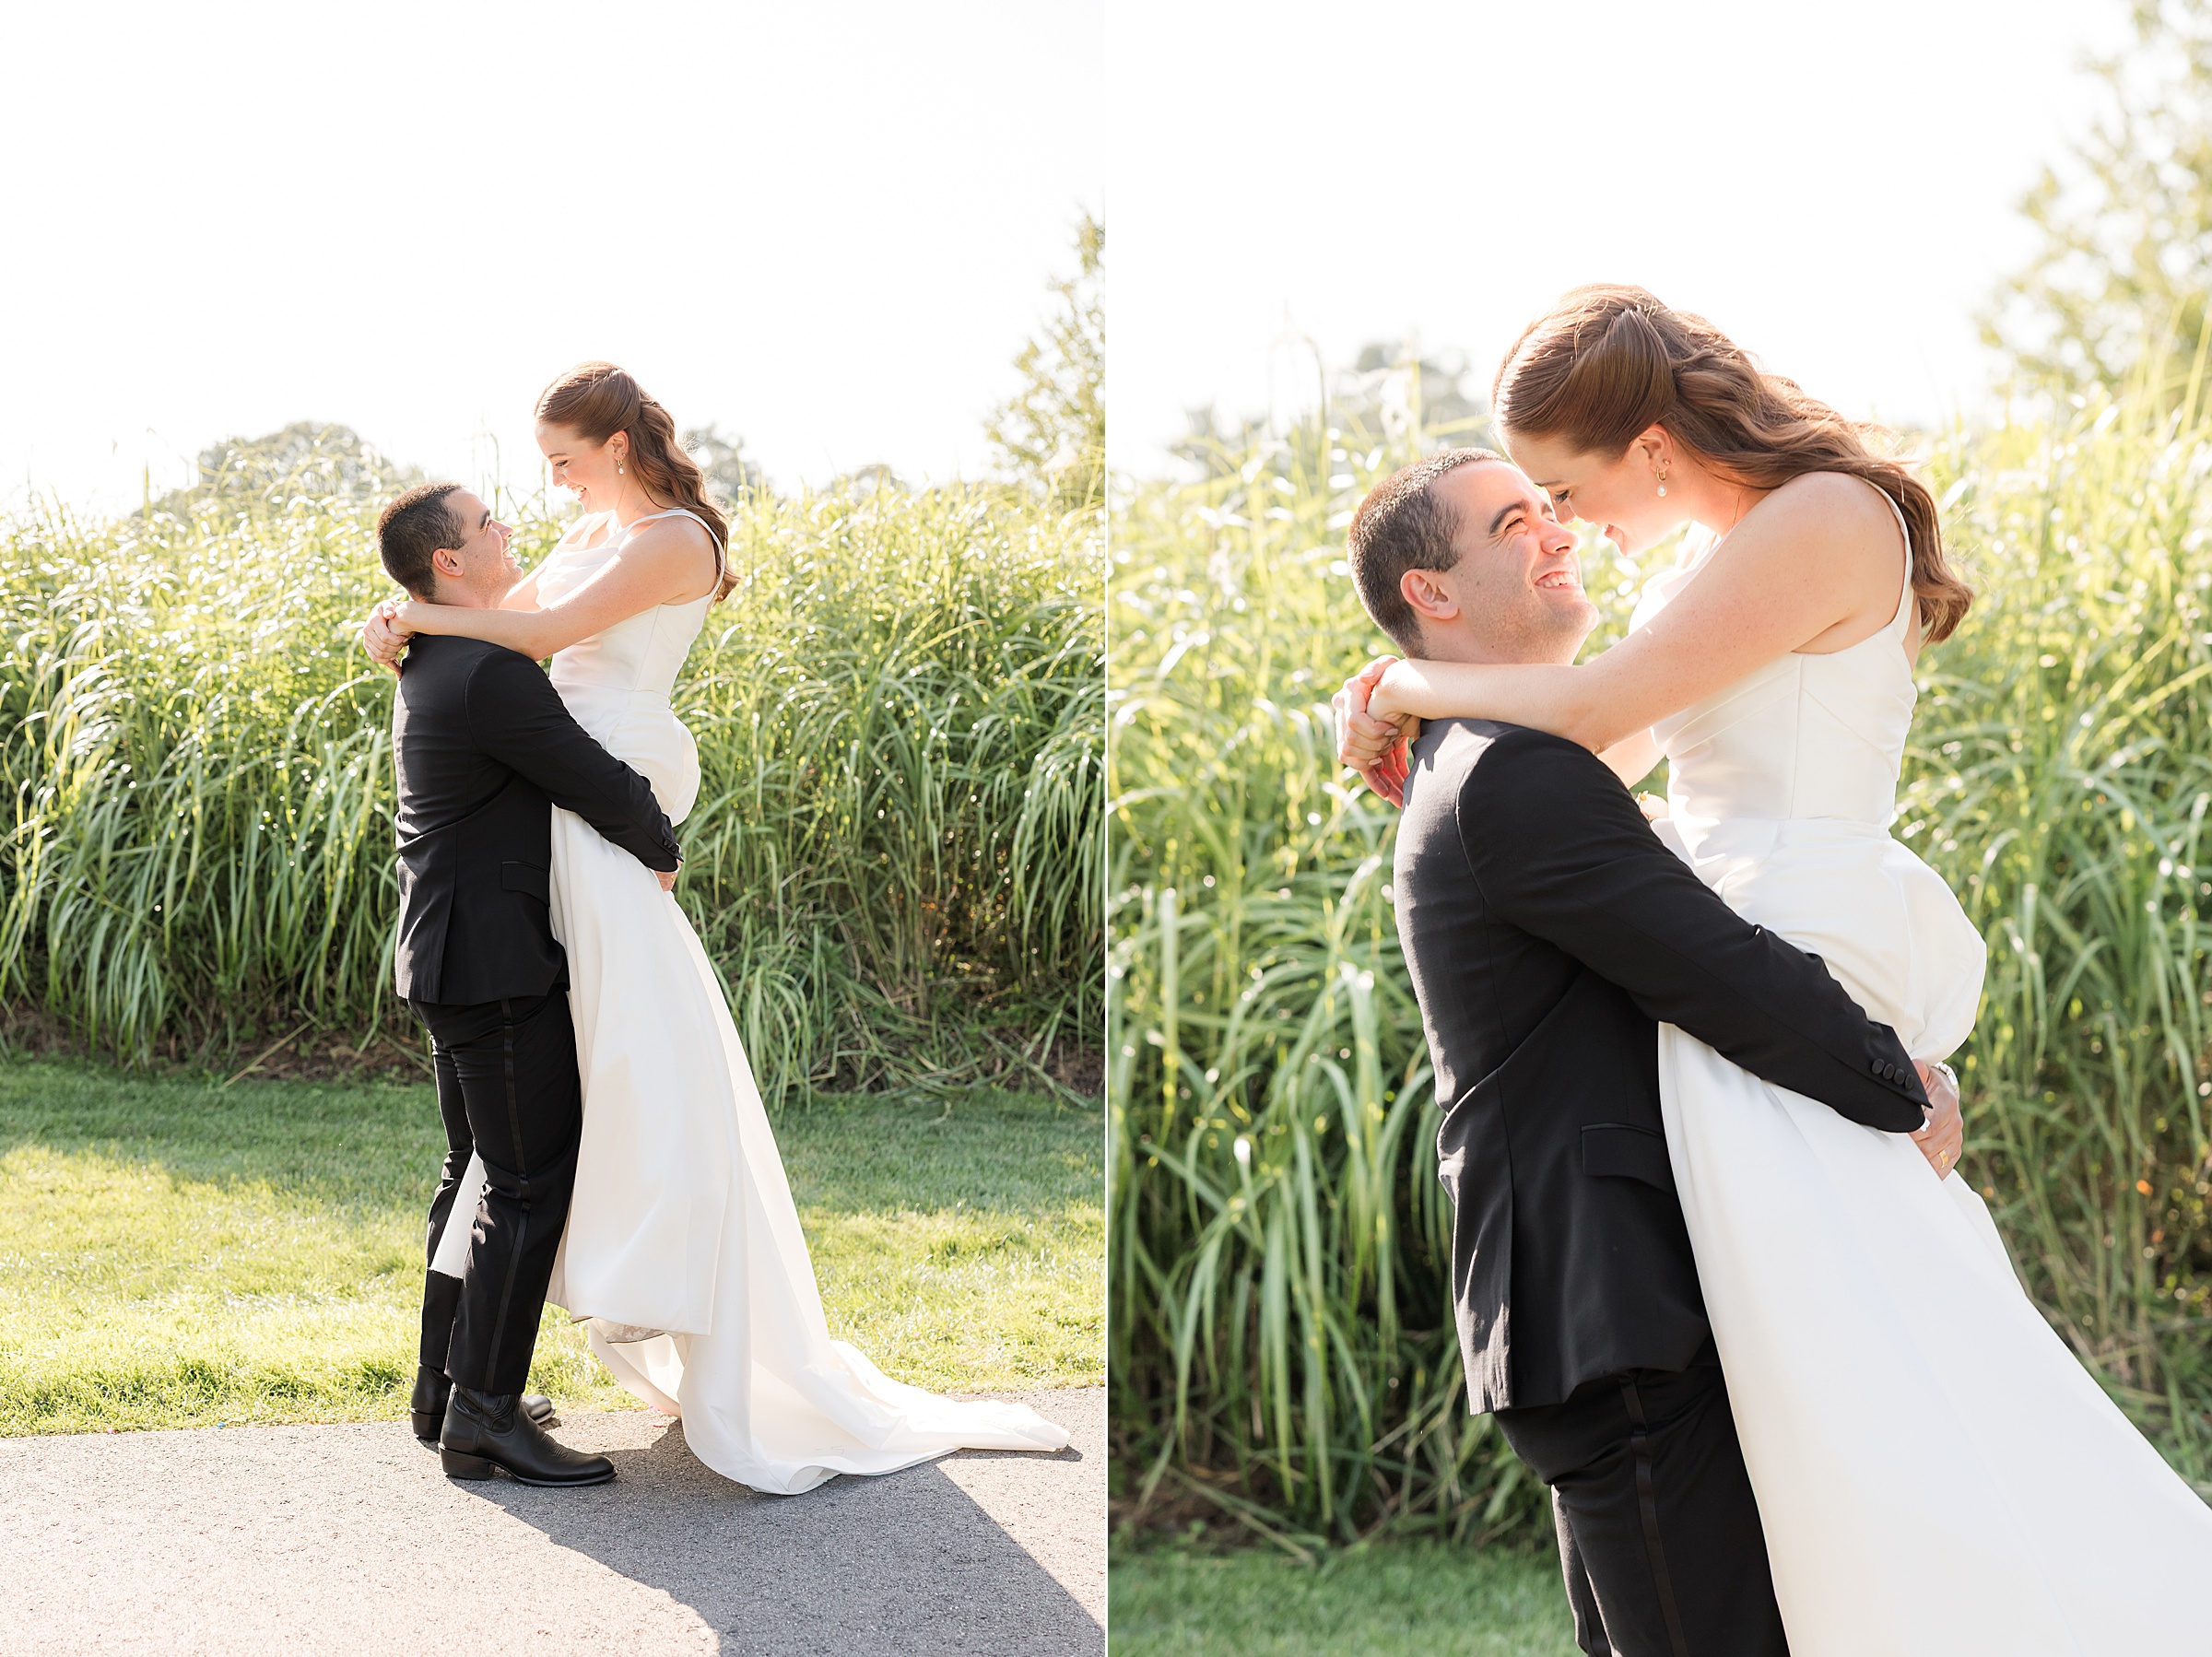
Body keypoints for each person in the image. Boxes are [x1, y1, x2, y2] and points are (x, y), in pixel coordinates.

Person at [1337, 288, 2212, 1652]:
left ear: (1647, 444)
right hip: (1737, 984)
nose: (1572, 524)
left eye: (1563, 488)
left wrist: (1405, 690)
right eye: (1533, 508)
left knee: (1887, 1380)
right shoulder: (1724, 564)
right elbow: (1587, 772)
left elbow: (1588, 720)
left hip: (1783, 952)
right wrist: (1431, 698)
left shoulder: (1819, 517)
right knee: (1824, 1396)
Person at [363, 363, 1066, 1493]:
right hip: (558, 814)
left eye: (563, 459)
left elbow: (534, 633)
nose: (546, 486)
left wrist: (411, 619)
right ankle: (465, 1391)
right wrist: (416, 619)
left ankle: (500, 1375)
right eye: (536, 471)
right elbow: (510, 622)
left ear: (620, 443)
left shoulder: (674, 539)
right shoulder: (592, 531)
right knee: (522, 1140)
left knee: (607, 1094)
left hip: (589, 800)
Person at [377, 479, 684, 1487]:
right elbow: (584, 774)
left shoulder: (435, 655)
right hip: (496, 965)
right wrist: (658, 838)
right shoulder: (483, 668)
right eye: (485, 523)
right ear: (450, 564)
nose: (506, 525)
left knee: (473, 1171)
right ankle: (487, 1417)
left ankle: (443, 1389)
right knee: (524, 1179)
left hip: (445, 956)